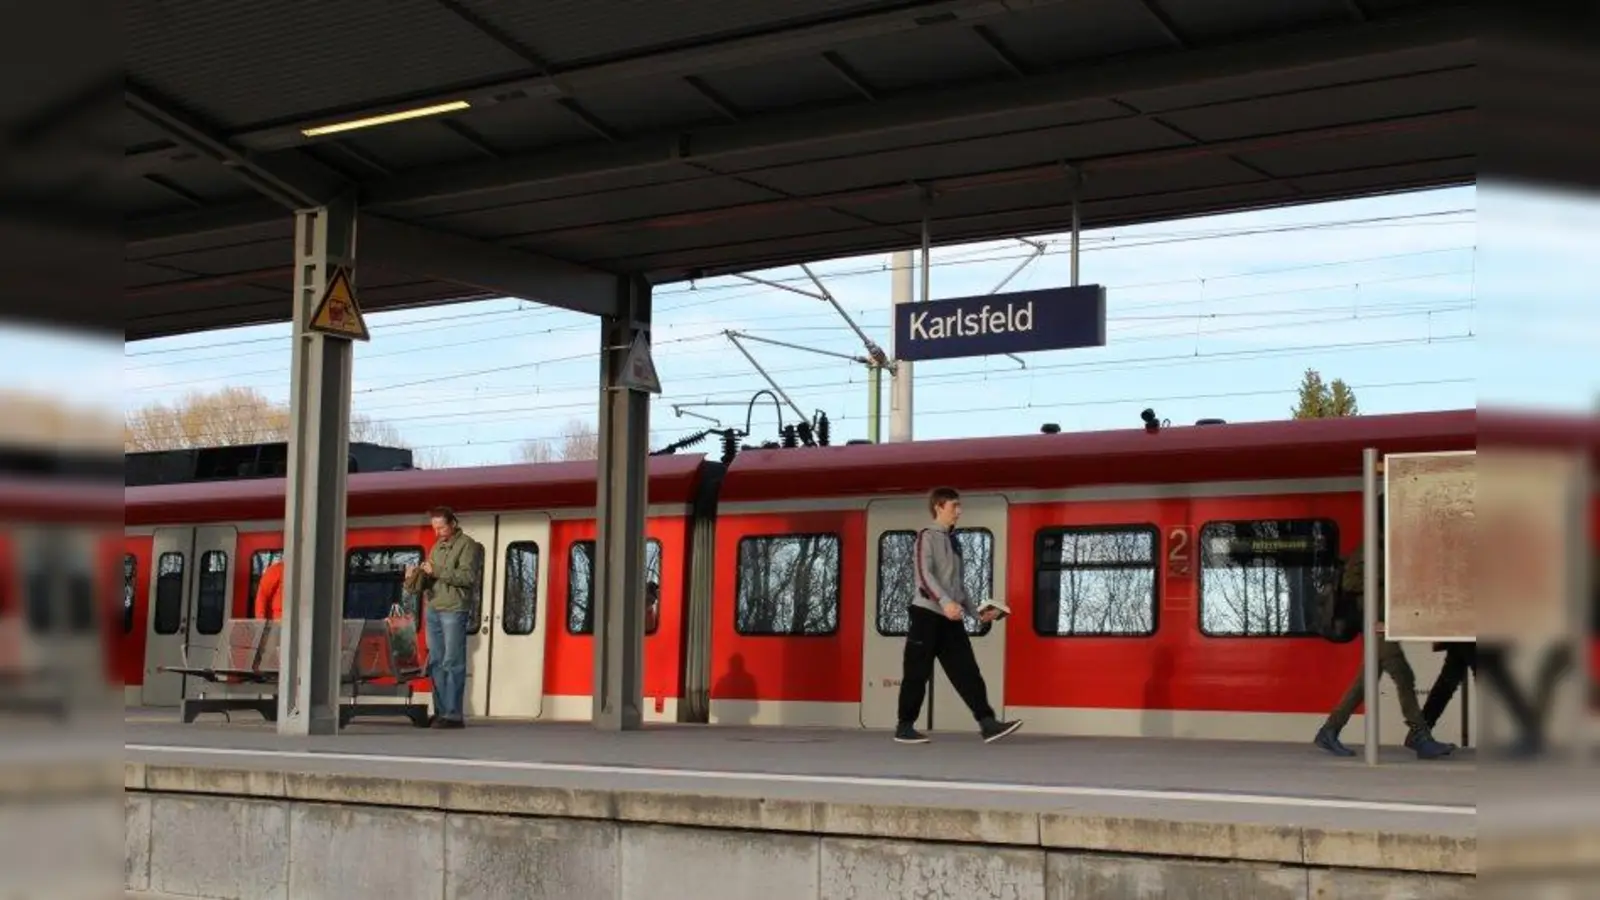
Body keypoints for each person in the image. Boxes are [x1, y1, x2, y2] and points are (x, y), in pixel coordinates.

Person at [894, 486, 1022, 744]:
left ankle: (988, 724)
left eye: (959, 506)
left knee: (967, 670)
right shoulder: (926, 537)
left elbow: (959, 587)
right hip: (926, 615)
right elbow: (924, 575)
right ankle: (904, 727)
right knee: (917, 672)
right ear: (939, 507)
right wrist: (944, 601)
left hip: (950, 619)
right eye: (954, 506)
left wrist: (978, 614)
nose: (959, 512)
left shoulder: (955, 542)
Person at [1313, 538, 1455, 759]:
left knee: (1364, 683)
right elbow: (1351, 582)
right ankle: (1420, 736)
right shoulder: (1370, 549)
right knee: (1404, 676)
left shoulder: (1388, 547)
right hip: (1374, 625)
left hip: (1383, 624)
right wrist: (1385, 576)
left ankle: (1329, 730)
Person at [405, 506, 482, 729]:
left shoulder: (468, 545)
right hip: (433, 608)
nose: (437, 532)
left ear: (453, 523)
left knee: (453, 661)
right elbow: (430, 579)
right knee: (436, 662)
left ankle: (453, 715)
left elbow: (467, 577)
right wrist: (414, 578)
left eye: (441, 527)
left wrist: (435, 571)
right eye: (434, 528)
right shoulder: (437, 546)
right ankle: (440, 712)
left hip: (454, 609)